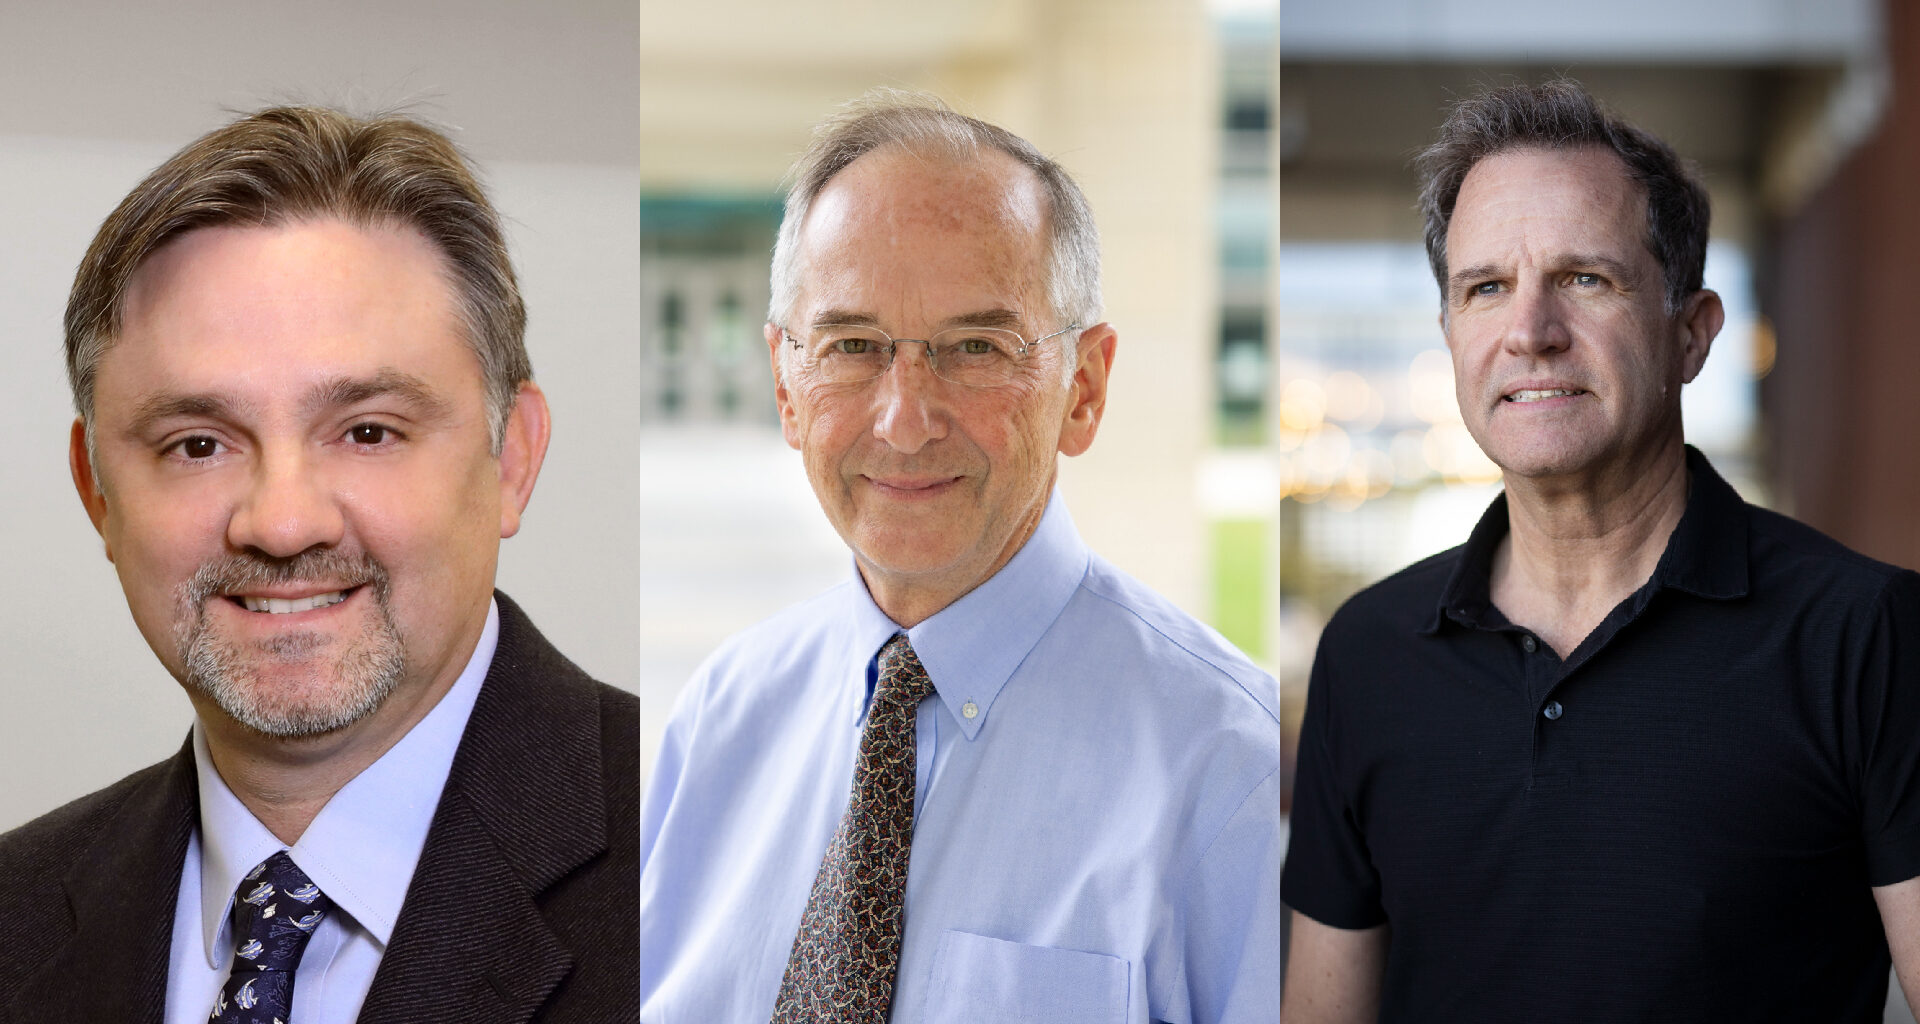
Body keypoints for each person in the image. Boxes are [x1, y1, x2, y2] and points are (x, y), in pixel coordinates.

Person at [1281, 79, 1920, 1021]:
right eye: (1486, 288)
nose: (1530, 333)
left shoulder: (1867, 636)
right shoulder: (1369, 653)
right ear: (1452, 334)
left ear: (1693, 334)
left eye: (1586, 279)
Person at [640, 93, 1281, 1022]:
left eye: (975, 347)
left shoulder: (1229, 771)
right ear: (786, 383)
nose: (904, 420)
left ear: (1085, 390)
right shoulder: (718, 723)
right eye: (853, 345)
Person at [0, 106, 637, 1023]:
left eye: (368, 431)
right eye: (197, 445)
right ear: (96, 490)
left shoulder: (693, 853)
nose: (285, 522)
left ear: (515, 458)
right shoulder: (17, 914)